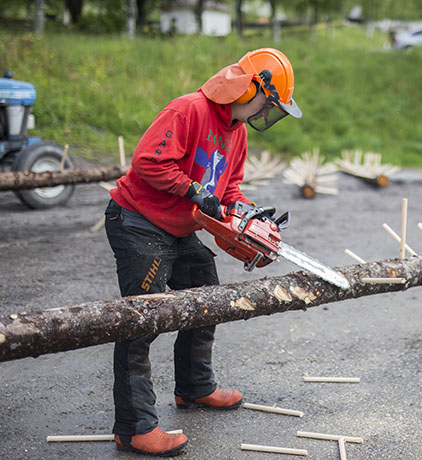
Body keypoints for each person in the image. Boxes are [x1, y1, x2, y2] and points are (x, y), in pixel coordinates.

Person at [103, 48, 301, 457]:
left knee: (206, 296)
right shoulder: (189, 109)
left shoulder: (238, 132)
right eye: (271, 102)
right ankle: (134, 427)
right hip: (139, 222)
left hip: (177, 227)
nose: (270, 112)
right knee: (143, 319)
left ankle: (194, 387)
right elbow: (148, 162)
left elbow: (228, 189)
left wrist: (245, 213)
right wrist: (195, 191)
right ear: (252, 89)